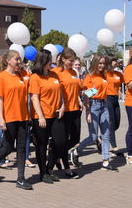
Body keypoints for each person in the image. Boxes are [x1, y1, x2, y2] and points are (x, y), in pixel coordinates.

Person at [0, 50, 32, 190]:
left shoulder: (22, 75)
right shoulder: (1, 77)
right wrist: (1, 119)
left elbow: (31, 83)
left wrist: (25, 69)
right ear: (8, 61)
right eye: (17, 59)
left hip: (23, 117)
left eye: (20, 59)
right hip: (9, 117)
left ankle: (20, 179)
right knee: (8, 147)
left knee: (21, 148)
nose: (19, 62)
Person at [70, 55, 116, 171]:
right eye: (99, 63)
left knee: (106, 134)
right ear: (95, 63)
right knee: (93, 136)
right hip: (93, 105)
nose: (101, 66)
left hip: (104, 105)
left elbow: (104, 90)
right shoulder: (89, 76)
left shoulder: (104, 75)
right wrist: (88, 112)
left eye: (103, 63)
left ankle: (106, 160)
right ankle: (76, 151)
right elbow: (86, 95)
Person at [29, 49, 66, 183]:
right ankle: (43, 173)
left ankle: (50, 168)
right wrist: (40, 116)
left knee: (60, 142)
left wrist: (62, 106)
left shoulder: (54, 75)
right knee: (41, 145)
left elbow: (60, 93)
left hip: (56, 114)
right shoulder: (35, 77)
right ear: (43, 61)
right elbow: (34, 98)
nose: (52, 62)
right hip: (42, 116)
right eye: (50, 59)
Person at [51, 48, 82, 178]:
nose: (72, 63)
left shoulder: (74, 72)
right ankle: (66, 168)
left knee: (75, 139)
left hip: (75, 109)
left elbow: (78, 89)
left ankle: (55, 154)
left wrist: (83, 98)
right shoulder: (55, 72)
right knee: (62, 141)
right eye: (70, 60)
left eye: (74, 60)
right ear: (63, 59)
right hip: (63, 111)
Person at [106, 55, 125, 157]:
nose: (116, 62)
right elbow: (97, 86)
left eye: (116, 60)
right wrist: (88, 96)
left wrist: (122, 92)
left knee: (117, 123)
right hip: (107, 99)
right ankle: (114, 147)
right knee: (111, 123)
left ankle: (102, 137)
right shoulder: (104, 74)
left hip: (115, 100)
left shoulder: (118, 74)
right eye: (114, 60)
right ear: (109, 62)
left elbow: (125, 83)